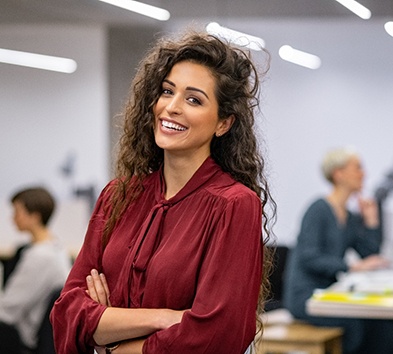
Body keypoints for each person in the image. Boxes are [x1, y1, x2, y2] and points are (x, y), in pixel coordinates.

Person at [50, 29, 275, 354]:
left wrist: (113, 341)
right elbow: (67, 312)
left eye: (194, 99)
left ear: (223, 123)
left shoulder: (234, 205)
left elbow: (218, 335)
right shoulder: (117, 196)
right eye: (167, 92)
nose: (171, 107)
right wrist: (165, 318)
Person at [283, 147, 393, 354]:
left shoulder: (350, 217)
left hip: (330, 296)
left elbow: (370, 254)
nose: (364, 174)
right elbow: (309, 257)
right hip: (306, 297)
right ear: (338, 173)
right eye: (357, 168)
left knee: (384, 326)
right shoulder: (318, 209)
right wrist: (352, 267)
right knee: (357, 327)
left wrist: (371, 221)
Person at [0, 187, 72, 354]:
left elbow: (7, 311)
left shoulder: (40, 256)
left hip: (24, 339)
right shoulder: (56, 248)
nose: (13, 218)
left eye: (17, 211)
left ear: (35, 216)